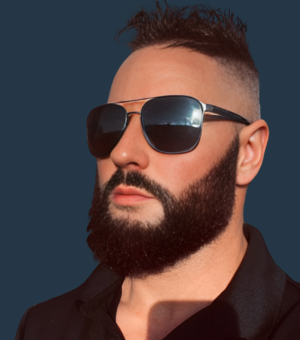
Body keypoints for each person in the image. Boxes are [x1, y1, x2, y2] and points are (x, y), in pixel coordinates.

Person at [16, 2, 300, 340]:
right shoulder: (42, 326)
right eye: (109, 125)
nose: (122, 152)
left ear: (247, 153)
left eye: (171, 122)